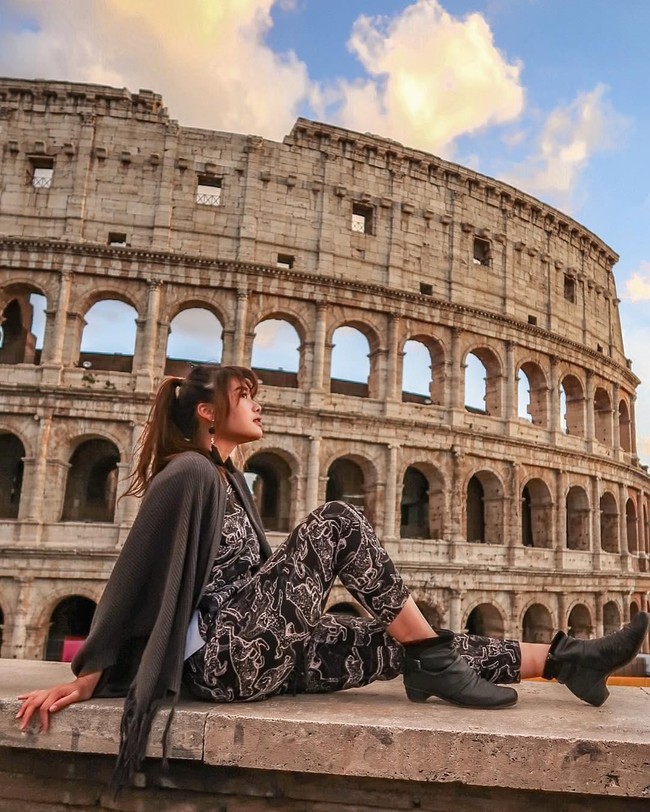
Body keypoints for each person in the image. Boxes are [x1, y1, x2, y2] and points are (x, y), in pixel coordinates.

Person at [16, 364, 650, 794]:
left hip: (252, 654)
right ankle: (432, 658)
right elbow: (137, 570)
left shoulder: (232, 481)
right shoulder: (188, 473)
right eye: (246, 394)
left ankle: (567, 659)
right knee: (339, 522)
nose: (259, 402)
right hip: (222, 656)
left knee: (379, 640)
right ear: (208, 412)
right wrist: (91, 674)